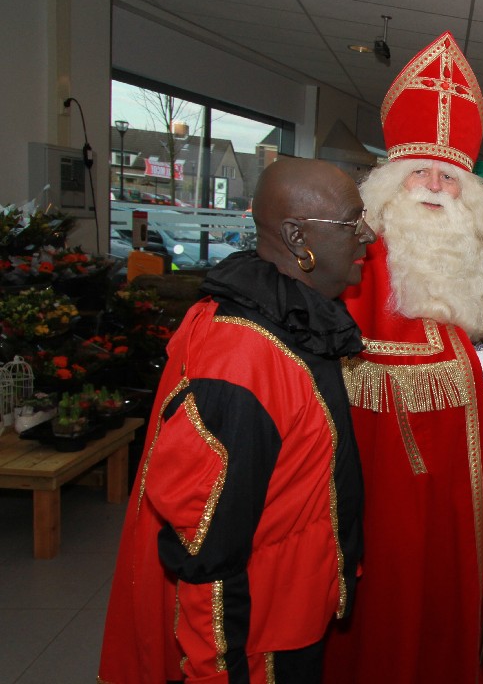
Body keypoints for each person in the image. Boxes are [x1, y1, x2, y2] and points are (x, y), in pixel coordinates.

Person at [324, 32, 483, 684]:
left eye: (449, 177)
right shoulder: (366, 258)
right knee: (403, 612)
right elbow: (370, 371)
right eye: (420, 172)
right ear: (391, 182)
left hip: (460, 460)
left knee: (452, 598)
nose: (435, 186)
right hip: (397, 478)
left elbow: (453, 345)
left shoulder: (462, 249)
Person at [99, 157, 373, 682]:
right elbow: (206, 555)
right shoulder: (242, 358)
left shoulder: (291, 318)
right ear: (296, 236)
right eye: (352, 222)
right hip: (256, 644)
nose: (368, 236)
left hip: (290, 612)